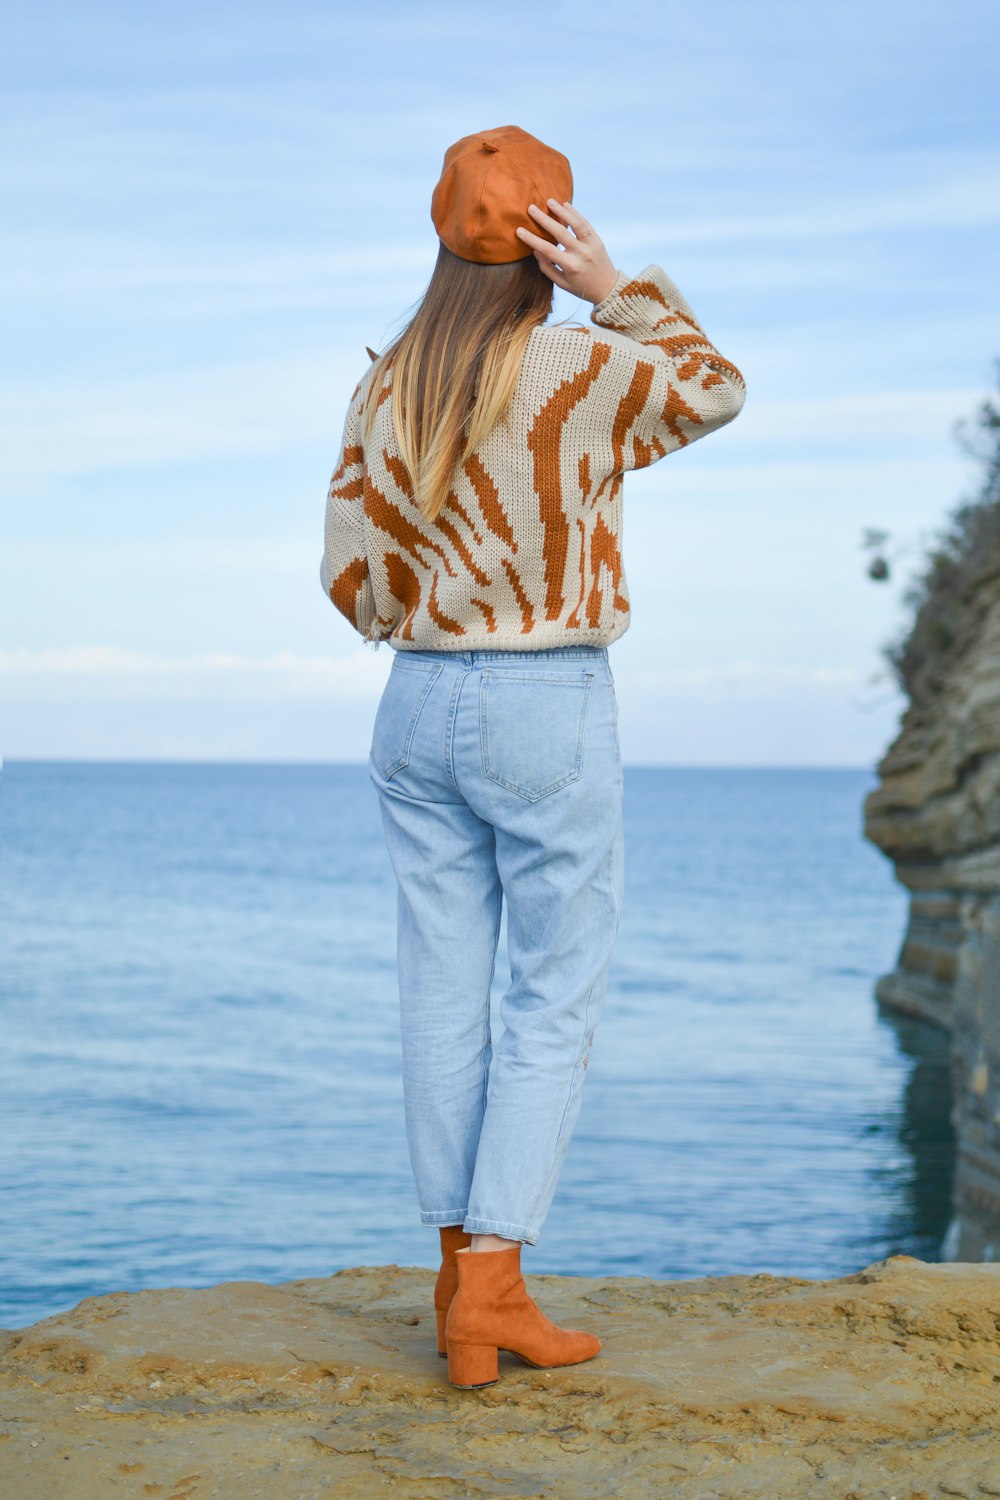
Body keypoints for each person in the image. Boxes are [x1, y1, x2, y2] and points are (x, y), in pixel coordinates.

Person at [320, 125, 746, 1389]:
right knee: (549, 993)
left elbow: (352, 571)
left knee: (440, 990)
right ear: (547, 232)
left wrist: (421, 624)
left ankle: (457, 1275)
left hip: (414, 700)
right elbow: (714, 386)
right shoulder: (579, 363)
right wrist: (614, 286)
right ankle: (495, 1289)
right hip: (545, 699)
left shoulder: (386, 380)